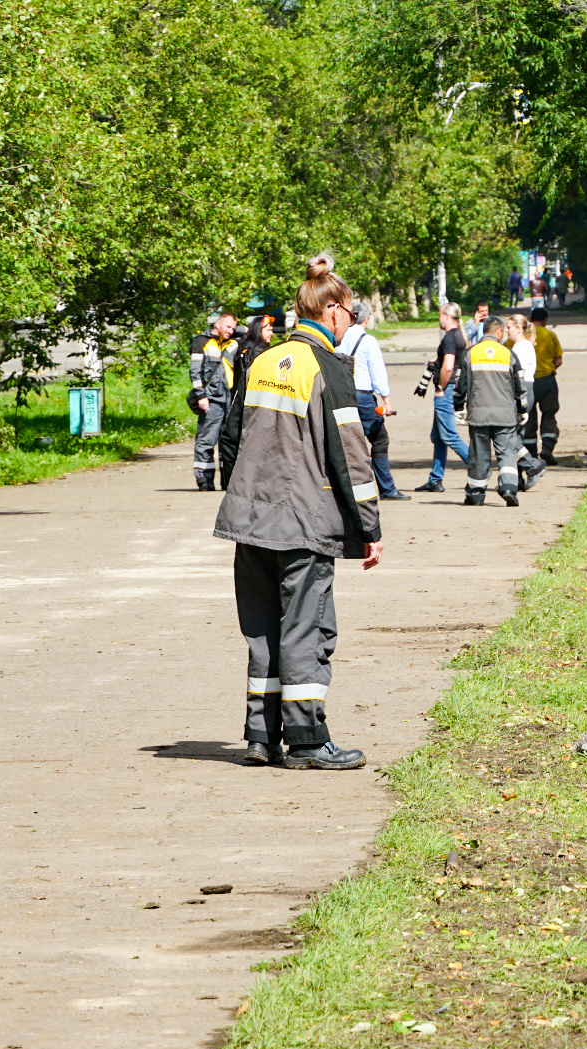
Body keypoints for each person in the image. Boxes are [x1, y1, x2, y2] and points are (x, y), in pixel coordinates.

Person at [213, 253, 379, 771]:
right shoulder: (328, 366)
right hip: (304, 524)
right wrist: (368, 526)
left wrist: (246, 496)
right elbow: (352, 456)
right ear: (332, 312)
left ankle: (261, 737)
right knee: (307, 629)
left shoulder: (261, 359)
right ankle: (308, 741)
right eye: (351, 315)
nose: (351, 324)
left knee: (262, 630)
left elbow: (230, 438)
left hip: (250, 521)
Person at [451, 315, 528, 507]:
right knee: (507, 454)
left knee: (479, 456)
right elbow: (520, 386)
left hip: (479, 415)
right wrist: (522, 409)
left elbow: (461, 385)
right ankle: (509, 488)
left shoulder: (470, 353)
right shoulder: (508, 354)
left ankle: (476, 494)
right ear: (499, 332)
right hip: (505, 415)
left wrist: (458, 407)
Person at [341, 301, 408, 501]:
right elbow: (377, 374)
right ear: (366, 319)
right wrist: (387, 401)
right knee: (379, 439)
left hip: (343, 394)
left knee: (348, 442)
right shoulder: (367, 340)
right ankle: (387, 488)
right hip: (363, 397)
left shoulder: (339, 338)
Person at [415, 303, 471, 493]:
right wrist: (436, 362)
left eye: (439, 315)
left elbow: (448, 367)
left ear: (446, 316)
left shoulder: (449, 337)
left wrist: (440, 387)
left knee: (448, 435)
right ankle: (435, 479)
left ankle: (478, 466)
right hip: (452, 388)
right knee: (438, 437)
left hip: (445, 391)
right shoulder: (459, 336)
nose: (438, 319)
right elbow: (449, 362)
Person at [189, 312, 239, 491]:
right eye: (228, 327)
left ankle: (226, 481)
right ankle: (204, 480)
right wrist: (201, 396)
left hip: (228, 400)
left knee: (227, 442)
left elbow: (248, 332)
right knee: (206, 440)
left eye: (233, 328)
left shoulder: (232, 343)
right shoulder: (202, 342)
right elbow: (195, 372)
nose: (231, 331)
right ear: (217, 324)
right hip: (211, 400)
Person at [504, 312, 544, 489]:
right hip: (525, 389)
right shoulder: (522, 346)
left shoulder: (521, 348)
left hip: (522, 390)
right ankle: (518, 477)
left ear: (519, 329)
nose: (506, 331)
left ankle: (533, 466)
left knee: (510, 437)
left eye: (509, 327)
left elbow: (516, 375)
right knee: (515, 435)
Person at [523, 307, 565, 468]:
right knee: (549, 414)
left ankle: (531, 453)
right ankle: (547, 448)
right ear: (545, 320)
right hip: (547, 380)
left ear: (530, 320)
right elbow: (559, 361)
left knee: (529, 418)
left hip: (527, 382)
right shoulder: (550, 335)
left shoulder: (522, 336)